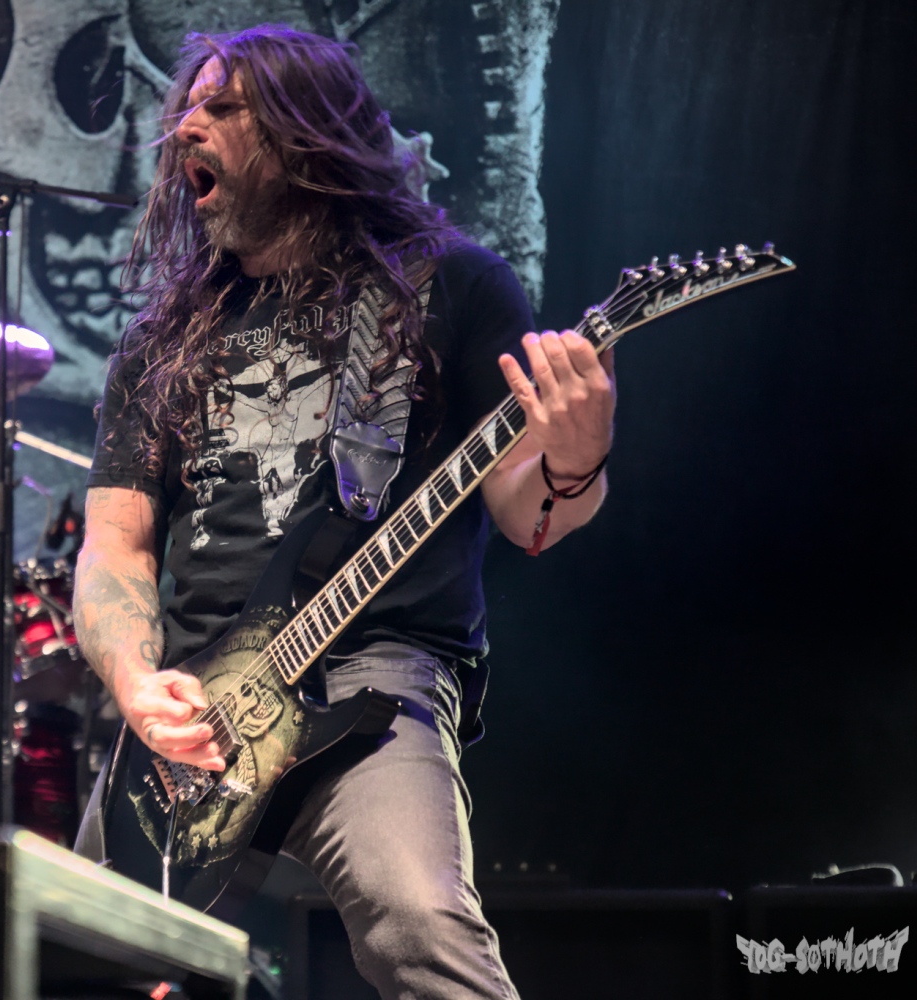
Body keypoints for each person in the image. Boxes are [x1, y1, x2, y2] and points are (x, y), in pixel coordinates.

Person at [74, 27, 615, 1000]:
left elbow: (527, 511)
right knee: (77, 955)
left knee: (420, 922)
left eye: (223, 107)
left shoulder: (448, 285)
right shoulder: (162, 338)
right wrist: (135, 682)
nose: (186, 126)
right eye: (185, 110)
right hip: (190, 705)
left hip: (374, 666)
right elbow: (114, 547)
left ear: (306, 130)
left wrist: (575, 462)